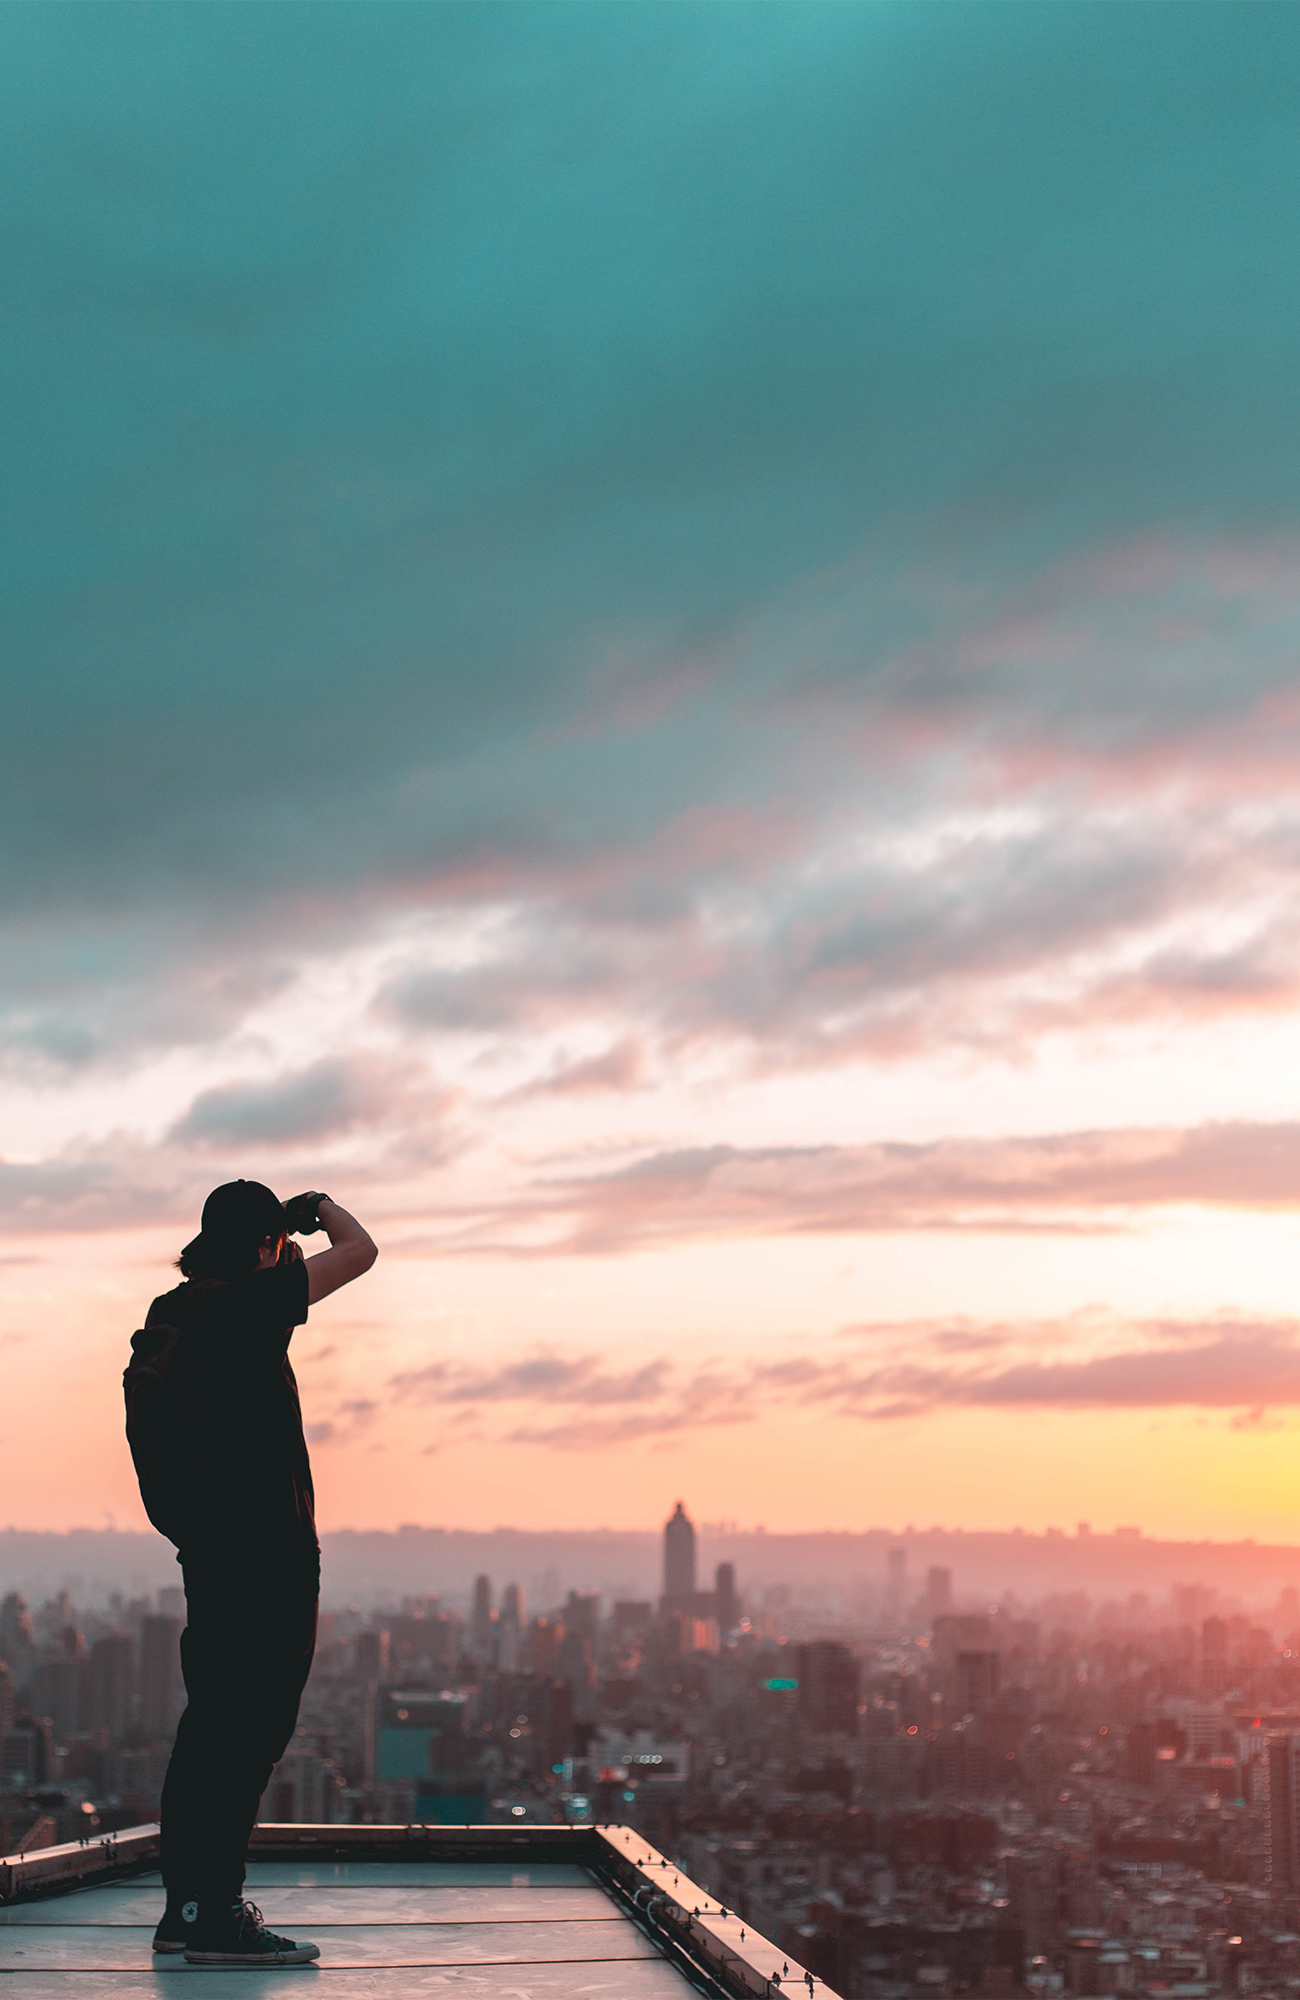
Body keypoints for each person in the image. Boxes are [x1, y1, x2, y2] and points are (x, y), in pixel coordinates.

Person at [125, 1180, 377, 1967]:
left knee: (208, 1730)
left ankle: (186, 1910)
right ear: (266, 1245)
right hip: (268, 1558)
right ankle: (221, 1918)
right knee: (251, 1736)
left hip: (209, 1554)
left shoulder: (177, 1310)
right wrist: (323, 1207)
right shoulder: (249, 1306)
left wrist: (278, 1244)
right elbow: (361, 1253)